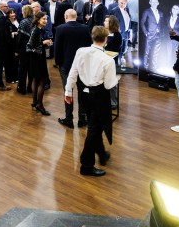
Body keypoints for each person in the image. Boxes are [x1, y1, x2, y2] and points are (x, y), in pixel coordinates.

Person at [64, 26, 118, 177]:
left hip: (84, 94)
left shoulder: (81, 51)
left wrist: (68, 91)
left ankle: (102, 153)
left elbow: (73, 72)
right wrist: (117, 78)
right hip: (99, 96)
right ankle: (86, 165)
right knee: (94, 129)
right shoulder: (108, 60)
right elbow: (109, 85)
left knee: (95, 126)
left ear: (92, 37)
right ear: (106, 39)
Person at [54, 10, 92, 129]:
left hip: (66, 65)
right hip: (82, 65)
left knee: (68, 91)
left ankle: (69, 118)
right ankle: (82, 118)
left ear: (66, 16)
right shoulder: (85, 28)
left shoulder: (60, 28)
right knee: (82, 91)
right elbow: (89, 46)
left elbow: (57, 47)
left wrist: (58, 63)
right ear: (76, 17)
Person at [27, 11, 53, 115]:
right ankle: (40, 105)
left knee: (35, 79)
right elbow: (31, 44)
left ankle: (35, 102)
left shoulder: (38, 29)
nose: (46, 21)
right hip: (37, 58)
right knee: (42, 80)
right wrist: (44, 42)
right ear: (38, 20)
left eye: (46, 19)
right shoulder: (36, 30)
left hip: (37, 57)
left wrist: (45, 43)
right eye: (44, 19)